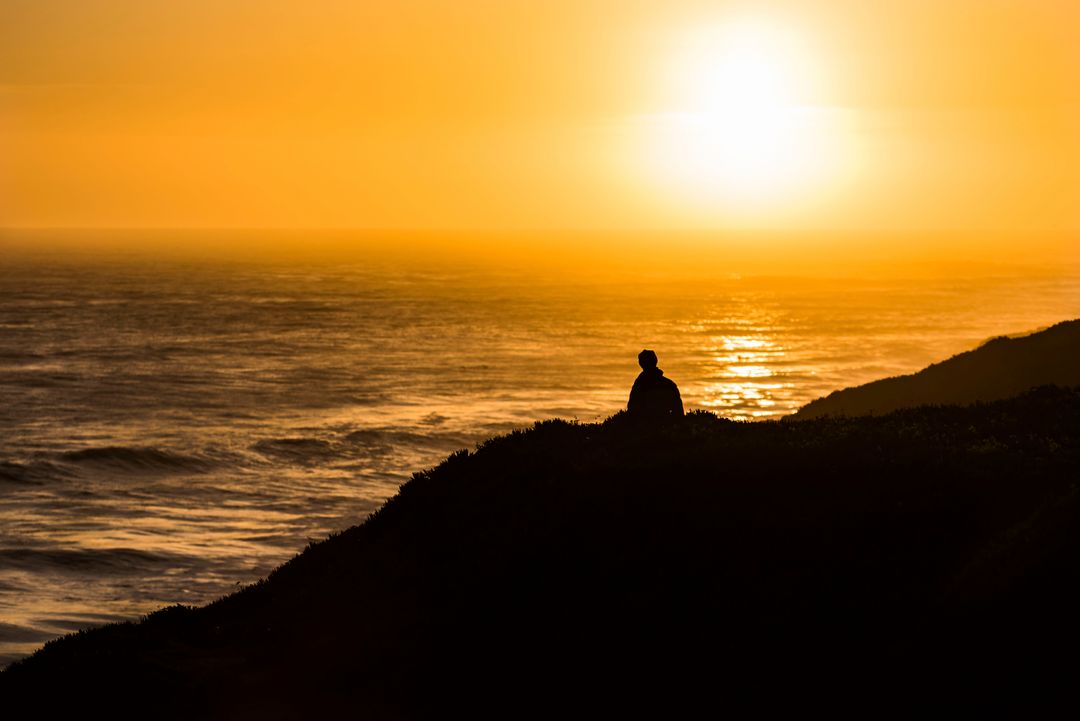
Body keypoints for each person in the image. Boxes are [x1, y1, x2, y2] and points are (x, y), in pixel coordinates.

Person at [627, 349, 684, 420]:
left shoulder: (640, 385)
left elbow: (632, 409)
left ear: (641, 364)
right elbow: (678, 411)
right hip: (666, 425)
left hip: (646, 426)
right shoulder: (669, 384)